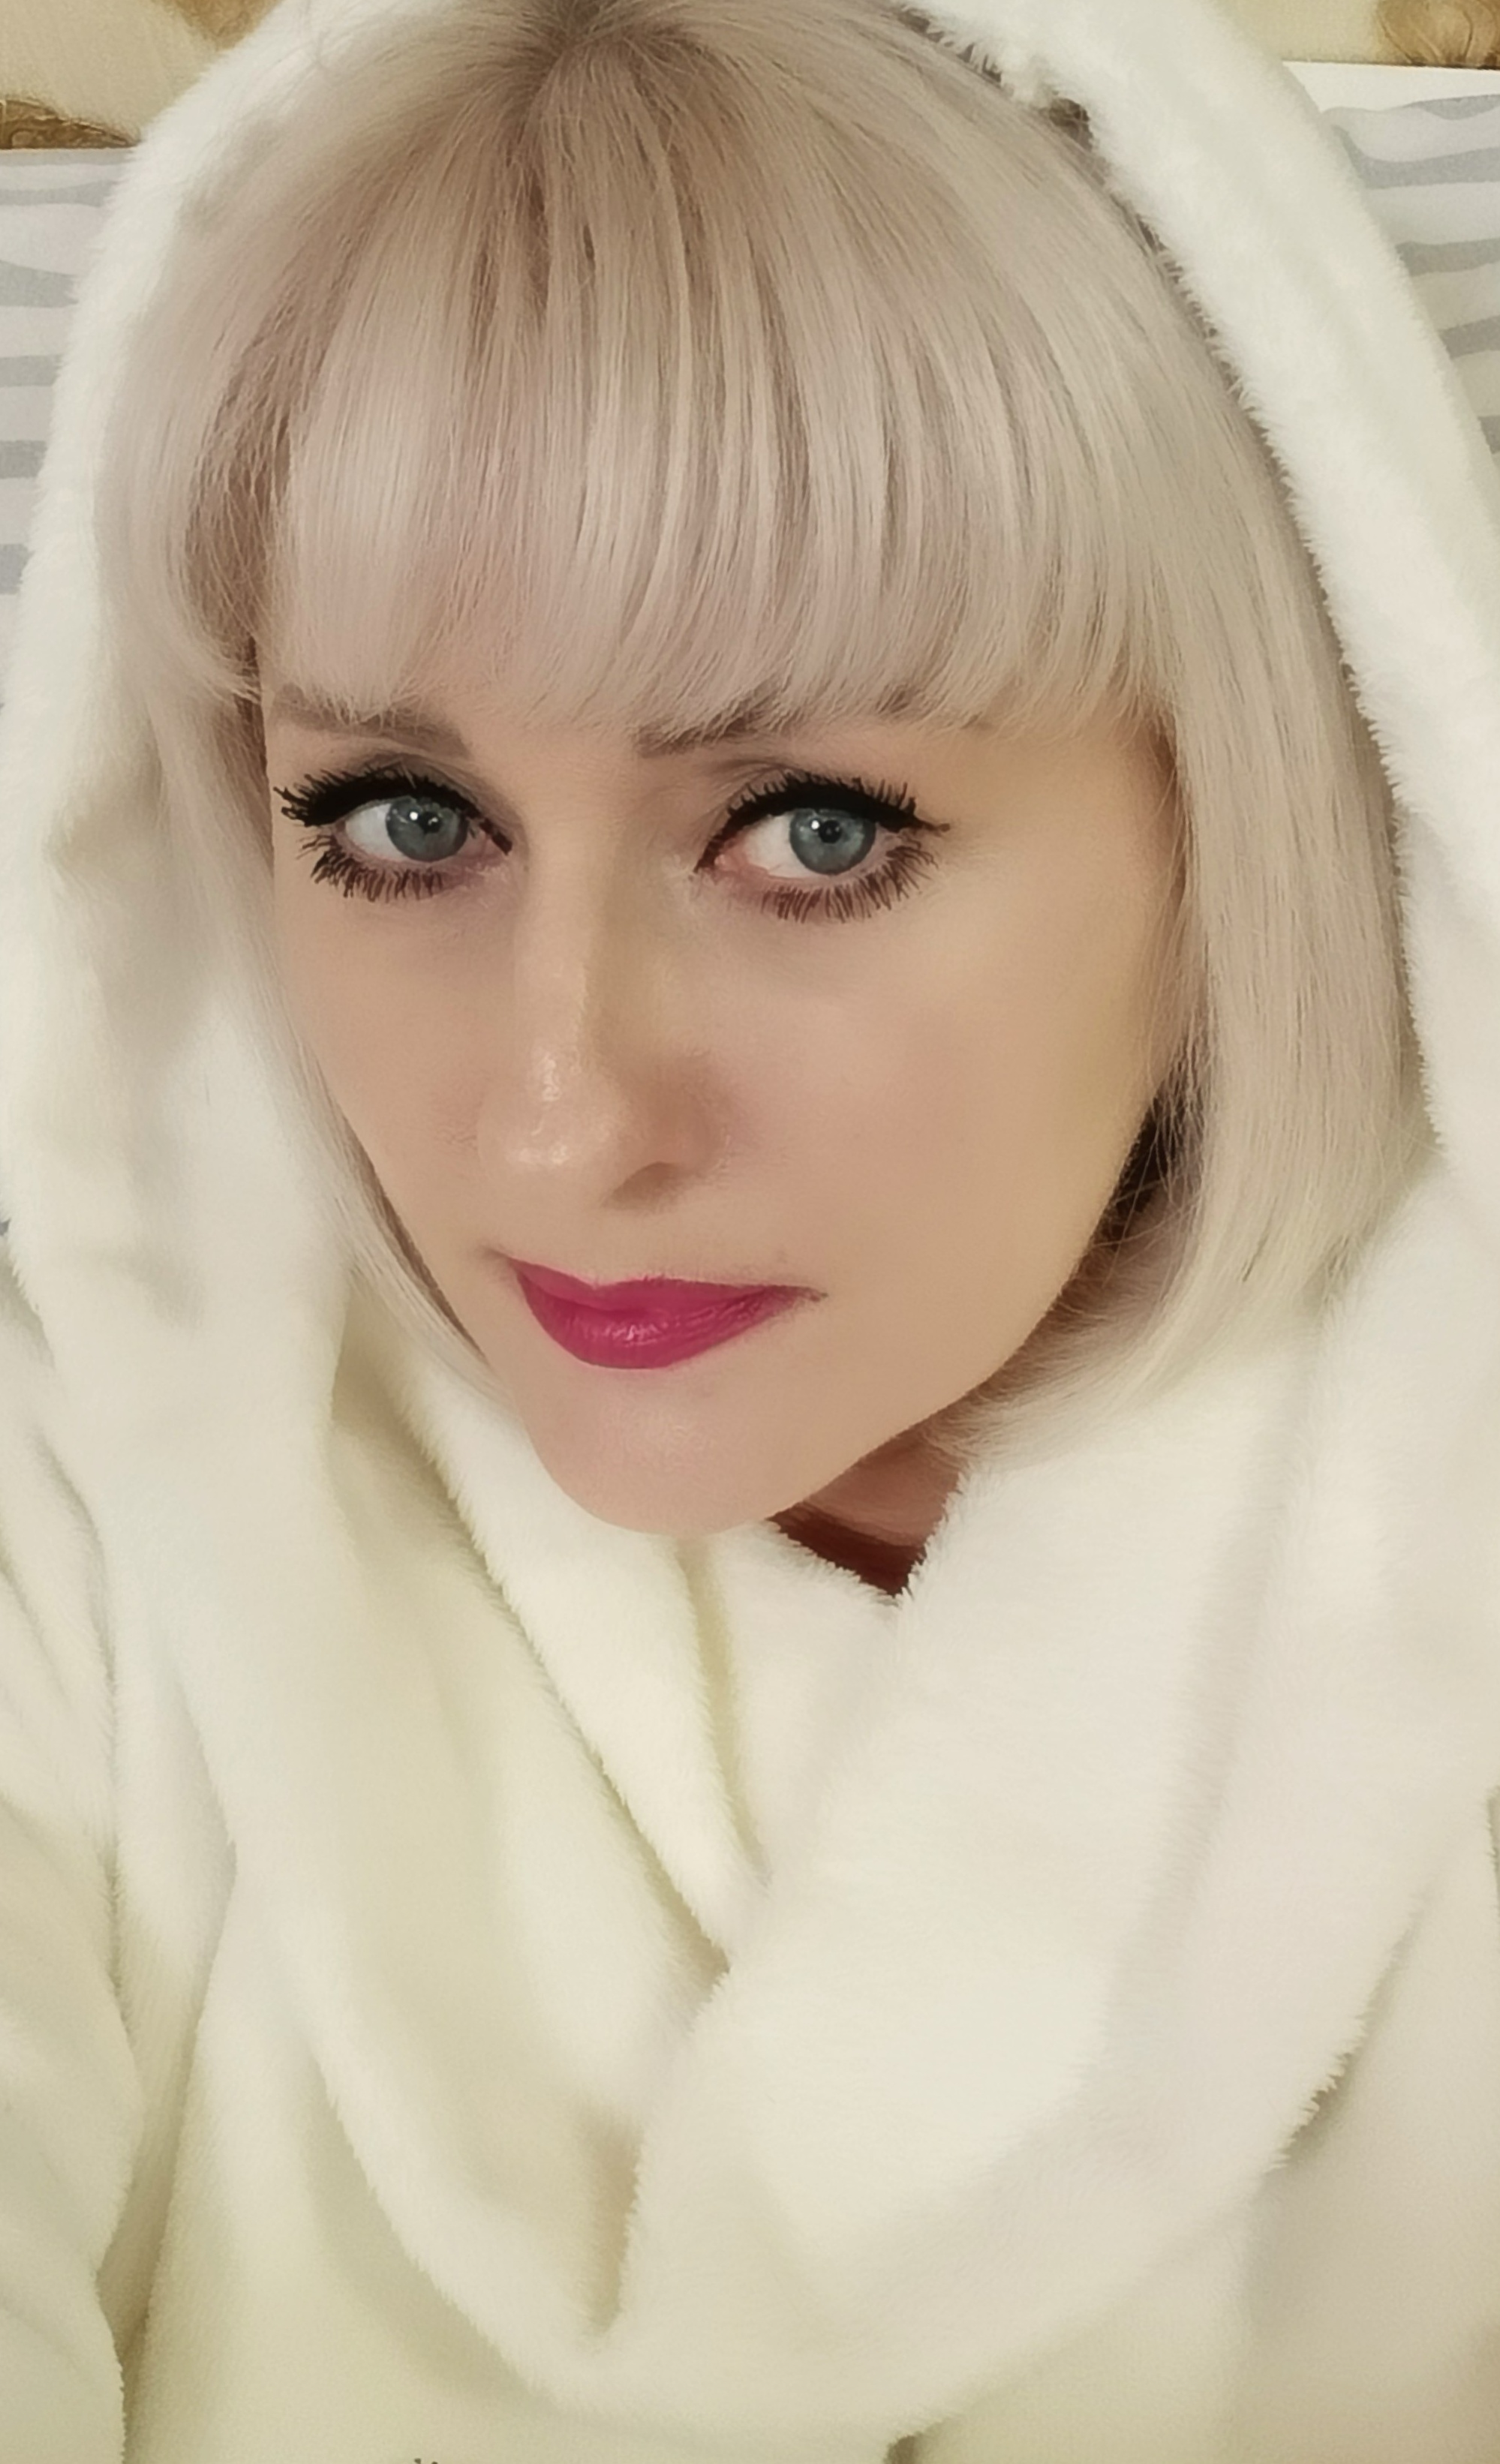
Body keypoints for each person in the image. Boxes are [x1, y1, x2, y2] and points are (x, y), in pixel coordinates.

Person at [0, 0, 1498, 2454]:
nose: (558, 1123)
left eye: (813, 828)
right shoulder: (78, 1480)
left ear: (1239, 816)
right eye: (400, 821)